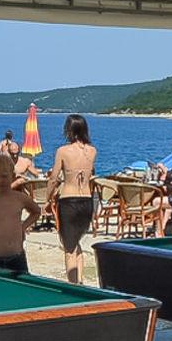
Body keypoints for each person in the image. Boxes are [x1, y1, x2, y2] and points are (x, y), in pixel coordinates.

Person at [48, 113, 98, 284]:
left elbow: (54, 178)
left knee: (68, 248)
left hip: (69, 200)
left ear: (69, 130)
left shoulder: (62, 151)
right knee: (76, 242)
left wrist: (47, 198)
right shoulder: (92, 151)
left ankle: (72, 285)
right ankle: (80, 281)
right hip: (86, 200)